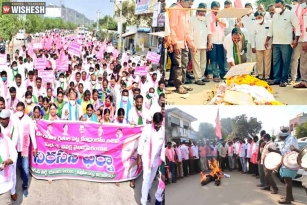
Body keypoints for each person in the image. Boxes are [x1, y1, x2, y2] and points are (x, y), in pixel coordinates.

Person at [266, 0, 300, 87]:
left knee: (286, 62)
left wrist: (296, 39)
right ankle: (277, 79)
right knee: (276, 61)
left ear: (284, 5)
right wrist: (267, 40)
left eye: (278, 6)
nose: (277, 8)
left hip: (286, 42)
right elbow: (271, 29)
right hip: (276, 42)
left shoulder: (290, 14)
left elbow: (297, 26)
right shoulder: (275, 16)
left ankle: (284, 80)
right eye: (276, 7)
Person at [169, 0, 196, 94]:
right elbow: (172, 28)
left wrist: (191, 44)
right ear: (182, 1)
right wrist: (175, 43)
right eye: (189, 3)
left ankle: (182, 83)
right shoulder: (175, 9)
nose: (191, 6)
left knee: (184, 65)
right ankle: (178, 86)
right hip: (177, 43)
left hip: (184, 43)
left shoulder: (186, 12)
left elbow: (187, 32)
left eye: (192, 4)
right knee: (178, 66)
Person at [137, 112, 164, 205]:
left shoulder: (163, 131)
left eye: (159, 124)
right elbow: (141, 142)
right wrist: (139, 157)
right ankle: (143, 201)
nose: (157, 126)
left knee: (151, 179)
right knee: (146, 179)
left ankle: (146, 192)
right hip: (146, 158)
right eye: (156, 124)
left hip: (156, 161)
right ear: (153, 122)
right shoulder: (147, 128)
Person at [268, 127, 299, 203]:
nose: (278, 137)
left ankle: (288, 200)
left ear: (282, 135)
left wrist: (273, 151)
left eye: (279, 136)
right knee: (287, 180)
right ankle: (290, 196)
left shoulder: (291, 139)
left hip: (290, 162)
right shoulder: (288, 139)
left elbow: (284, 151)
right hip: (288, 161)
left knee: (287, 180)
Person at [14, 102, 37, 197]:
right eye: (17, 110)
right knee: (18, 165)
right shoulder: (12, 118)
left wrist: (35, 147)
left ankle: (25, 186)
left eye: (21, 110)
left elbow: (32, 134)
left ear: (24, 110)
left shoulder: (28, 120)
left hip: (24, 148)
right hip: (14, 148)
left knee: (25, 168)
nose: (19, 112)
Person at [190, 3, 212, 85]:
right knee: (196, 62)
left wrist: (209, 42)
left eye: (204, 12)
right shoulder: (192, 19)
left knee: (203, 62)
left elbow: (209, 32)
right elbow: (190, 33)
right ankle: (197, 78)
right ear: (197, 10)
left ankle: (202, 76)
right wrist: (192, 45)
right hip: (195, 45)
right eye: (201, 11)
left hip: (204, 45)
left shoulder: (205, 20)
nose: (202, 13)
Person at [0, 109, 19, 202]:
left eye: (3, 119)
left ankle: (13, 191)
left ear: (8, 119)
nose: (1, 121)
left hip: (9, 155)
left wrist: (8, 160)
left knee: (12, 175)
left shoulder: (13, 128)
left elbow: (13, 143)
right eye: (0, 118)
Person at [208, 1, 228, 82]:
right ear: (211, 8)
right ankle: (215, 75)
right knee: (214, 59)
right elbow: (208, 30)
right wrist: (209, 42)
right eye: (214, 9)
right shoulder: (208, 16)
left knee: (221, 59)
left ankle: (222, 74)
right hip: (212, 41)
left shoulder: (222, 15)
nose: (216, 11)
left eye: (217, 9)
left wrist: (219, 20)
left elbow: (226, 25)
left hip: (221, 41)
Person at [251, 11, 272, 80]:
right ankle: (260, 76)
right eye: (256, 18)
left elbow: (271, 33)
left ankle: (267, 76)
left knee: (267, 62)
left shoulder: (269, 23)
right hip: (258, 46)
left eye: (259, 17)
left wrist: (270, 43)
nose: (258, 19)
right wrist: (253, 46)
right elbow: (252, 36)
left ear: (263, 17)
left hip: (267, 46)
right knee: (259, 62)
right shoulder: (254, 24)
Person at [293, 0, 307, 88]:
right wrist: (296, 38)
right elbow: (297, 24)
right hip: (301, 38)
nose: (301, 1)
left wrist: (306, 41)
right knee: (303, 61)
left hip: (305, 39)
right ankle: (304, 81)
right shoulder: (298, 8)